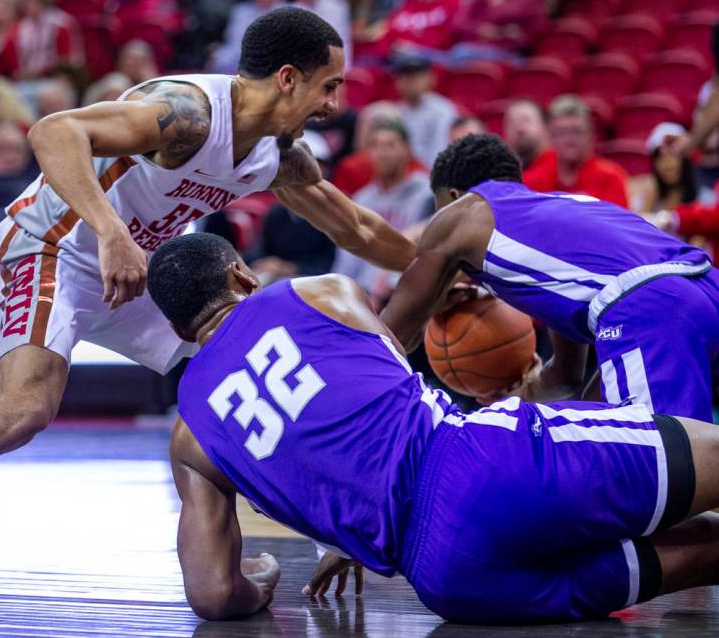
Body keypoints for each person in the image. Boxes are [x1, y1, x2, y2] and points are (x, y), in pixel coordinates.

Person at [150, 231, 719, 624]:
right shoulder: (315, 292)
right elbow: (381, 376)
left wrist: (265, 577)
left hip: (447, 577)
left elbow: (213, 592)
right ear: (241, 275)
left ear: (177, 326)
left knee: (703, 553)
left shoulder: (189, 435)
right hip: (479, 465)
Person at [0, 8, 415, 481]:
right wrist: (111, 232)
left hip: (134, 271)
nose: (333, 104)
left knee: (258, 369)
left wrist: (448, 267)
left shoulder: (278, 155)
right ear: (287, 78)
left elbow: (358, 229)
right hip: (51, 247)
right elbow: (54, 131)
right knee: (24, 410)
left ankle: (234, 543)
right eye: (328, 85)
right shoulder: (188, 113)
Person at [381, 134, 719, 422]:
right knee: (660, 457)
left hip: (648, 307)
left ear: (454, 198)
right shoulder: (559, 221)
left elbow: (388, 338)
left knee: (665, 474)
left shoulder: (461, 214)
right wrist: (511, 402)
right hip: (702, 289)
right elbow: (566, 381)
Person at [333, 119, 433, 292]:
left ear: (407, 149)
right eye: (376, 146)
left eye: (390, 145)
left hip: (405, 291)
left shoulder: (426, 193)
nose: (382, 153)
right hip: (362, 293)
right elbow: (347, 262)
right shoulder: (361, 200)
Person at [524, 94, 629, 208]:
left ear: (591, 135)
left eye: (577, 131)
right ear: (551, 137)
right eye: (562, 132)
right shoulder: (535, 179)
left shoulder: (610, 178)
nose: (570, 140)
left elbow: (619, 223)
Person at [393, 55, 458, 167]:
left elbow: (441, 152)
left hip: (432, 175)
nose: (410, 81)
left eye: (415, 76)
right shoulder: (395, 111)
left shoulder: (442, 110)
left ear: (430, 78)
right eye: (405, 76)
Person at [629, 123, 698, 214]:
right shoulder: (648, 190)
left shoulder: (703, 194)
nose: (668, 164)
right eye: (660, 158)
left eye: (673, 155)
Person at [503, 97, 550, 170]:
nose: (519, 129)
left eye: (526, 120)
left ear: (545, 126)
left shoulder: (562, 169)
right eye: (512, 123)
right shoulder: (502, 173)